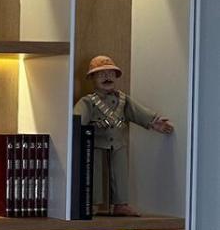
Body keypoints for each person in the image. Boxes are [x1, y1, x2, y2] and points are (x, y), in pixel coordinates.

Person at [73, 55, 174, 215]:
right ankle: (92, 203)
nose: (107, 77)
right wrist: (74, 129)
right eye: (101, 74)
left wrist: (153, 121)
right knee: (93, 172)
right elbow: (77, 119)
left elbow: (137, 111)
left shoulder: (122, 100)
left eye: (110, 73)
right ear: (92, 78)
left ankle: (121, 204)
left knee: (120, 173)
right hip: (95, 143)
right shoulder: (89, 101)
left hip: (118, 142)